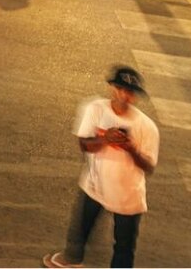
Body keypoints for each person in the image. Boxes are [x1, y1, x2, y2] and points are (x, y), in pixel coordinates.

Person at [45, 66, 159, 269]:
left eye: (130, 93)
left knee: (124, 247)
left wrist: (130, 148)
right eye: (120, 89)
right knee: (79, 229)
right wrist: (105, 138)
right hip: (94, 186)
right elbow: (85, 145)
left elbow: (148, 166)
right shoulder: (95, 109)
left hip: (127, 196)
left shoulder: (147, 127)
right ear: (111, 88)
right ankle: (72, 259)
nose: (125, 96)